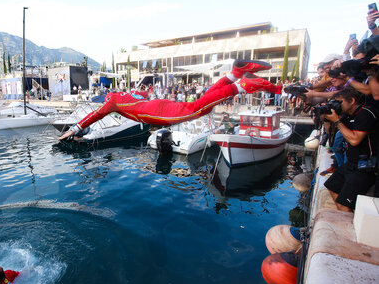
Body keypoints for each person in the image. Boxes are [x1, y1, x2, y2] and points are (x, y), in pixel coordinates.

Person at [58, 59, 279, 140]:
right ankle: (235, 73)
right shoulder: (129, 93)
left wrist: (74, 129)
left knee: (198, 110)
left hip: (158, 113)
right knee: (200, 103)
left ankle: (242, 85)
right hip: (159, 104)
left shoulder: (112, 102)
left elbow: (94, 115)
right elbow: (143, 96)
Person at [323, 87, 378, 212]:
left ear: (352, 101)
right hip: (352, 164)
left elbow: (355, 140)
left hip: (365, 167)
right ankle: (346, 216)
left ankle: (347, 220)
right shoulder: (349, 116)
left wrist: (337, 121)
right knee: (332, 186)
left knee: (344, 204)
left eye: (339, 102)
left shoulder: (366, 113)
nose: (337, 106)